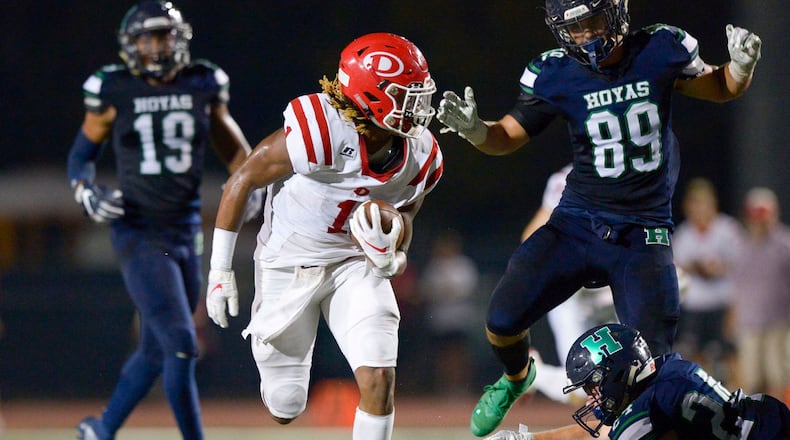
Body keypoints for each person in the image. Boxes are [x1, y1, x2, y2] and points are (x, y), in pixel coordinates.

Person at [436, 0, 763, 435]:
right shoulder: (554, 71)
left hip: (642, 233)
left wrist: (741, 67)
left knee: (653, 372)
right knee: (502, 317)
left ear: (617, 13)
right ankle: (518, 378)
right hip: (577, 221)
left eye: (591, 22)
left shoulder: (660, 47)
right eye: (574, 29)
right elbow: (508, 135)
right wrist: (478, 130)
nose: (585, 36)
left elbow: (720, 87)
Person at [203, 33, 443, 440]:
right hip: (288, 263)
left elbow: (405, 219)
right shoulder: (322, 131)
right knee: (286, 404)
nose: (417, 107)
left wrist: (394, 258)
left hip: (355, 266)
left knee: (379, 379)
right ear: (372, 95)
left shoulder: (422, 155)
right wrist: (220, 270)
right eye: (406, 95)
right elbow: (242, 179)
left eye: (420, 95)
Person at [66, 2, 257, 439]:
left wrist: (257, 191)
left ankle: (101, 429)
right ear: (131, 44)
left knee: (156, 350)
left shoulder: (202, 83)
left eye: (164, 35)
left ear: (180, 37)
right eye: (148, 37)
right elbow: (81, 155)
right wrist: (84, 187)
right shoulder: (114, 89)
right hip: (139, 229)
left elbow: (237, 155)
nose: (157, 45)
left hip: (186, 230)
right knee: (183, 345)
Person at [485, 323, 790, 440]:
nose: (591, 398)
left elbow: (608, 437)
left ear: (618, 374)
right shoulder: (664, 371)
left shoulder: (651, 404)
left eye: (594, 386)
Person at [673, 178, 742, 380]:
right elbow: (676, 268)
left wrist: (718, 268)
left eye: (702, 202)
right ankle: (704, 398)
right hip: (695, 307)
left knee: (729, 355)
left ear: (712, 203)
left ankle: (739, 401)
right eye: (694, 203)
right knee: (694, 357)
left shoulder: (727, 228)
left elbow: (741, 266)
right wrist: (695, 267)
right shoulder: (683, 233)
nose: (699, 208)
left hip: (722, 303)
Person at [730, 187, 790, 402]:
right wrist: (733, 316)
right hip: (749, 321)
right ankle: (754, 425)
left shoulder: (785, 244)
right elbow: (737, 286)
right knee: (750, 378)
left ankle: (780, 424)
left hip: (780, 322)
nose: (759, 222)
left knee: (778, 376)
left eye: (763, 215)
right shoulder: (741, 245)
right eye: (755, 216)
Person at [419, 229, 479, 395]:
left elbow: (464, 291)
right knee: (441, 358)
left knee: (460, 357)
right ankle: (444, 388)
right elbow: (425, 291)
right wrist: (445, 292)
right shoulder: (434, 266)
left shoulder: (463, 265)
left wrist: (443, 292)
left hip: (459, 319)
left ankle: (461, 388)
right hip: (440, 319)